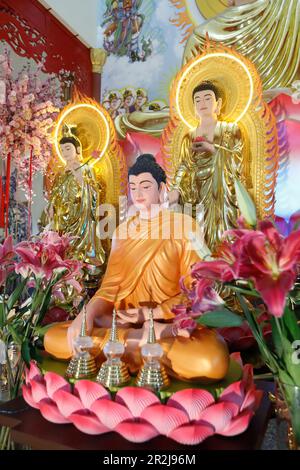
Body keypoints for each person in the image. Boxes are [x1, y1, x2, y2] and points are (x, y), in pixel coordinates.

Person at [44, 154, 229, 382]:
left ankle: (122, 349)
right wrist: (86, 315)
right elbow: (109, 289)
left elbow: (198, 292)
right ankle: (140, 347)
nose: (138, 194)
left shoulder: (184, 226)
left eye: (145, 186)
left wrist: (152, 315)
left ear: (162, 188)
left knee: (211, 360)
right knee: (54, 337)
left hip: (171, 328)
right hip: (125, 324)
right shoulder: (122, 232)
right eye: (133, 187)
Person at [168, 81, 243, 252]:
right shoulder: (189, 136)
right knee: (197, 232)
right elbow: (184, 165)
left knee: (224, 233)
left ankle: (226, 264)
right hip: (196, 191)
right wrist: (176, 188)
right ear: (194, 106)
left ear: (219, 103)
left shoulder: (230, 130)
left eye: (208, 99)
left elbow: (237, 159)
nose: (202, 103)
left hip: (222, 192)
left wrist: (213, 149)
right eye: (198, 100)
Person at [41, 124, 106, 286]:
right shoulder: (61, 172)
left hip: (80, 214)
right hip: (63, 214)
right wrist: (50, 206)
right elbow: (55, 193)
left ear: (77, 150)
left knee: (78, 241)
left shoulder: (86, 168)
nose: (65, 153)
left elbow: (93, 191)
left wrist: (78, 174)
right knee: (62, 242)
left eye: (68, 149)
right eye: (62, 150)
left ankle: (80, 267)